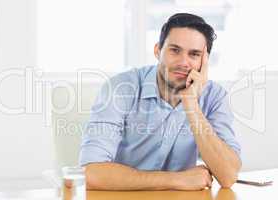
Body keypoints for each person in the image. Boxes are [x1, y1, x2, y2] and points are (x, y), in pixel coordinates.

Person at [79, 13, 241, 191]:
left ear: (204, 62)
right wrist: (176, 180)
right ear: (157, 51)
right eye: (175, 50)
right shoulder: (120, 89)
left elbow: (228, 176)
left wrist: (192, 106)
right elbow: (90, 173)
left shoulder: (214, 97)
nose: (183, 62)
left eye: (194, 54)